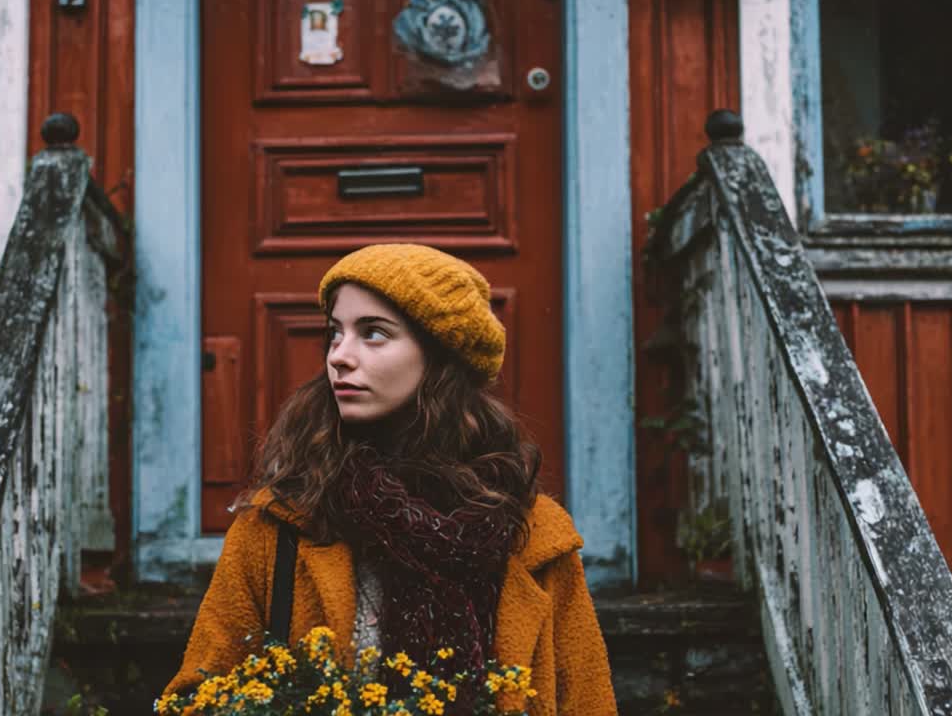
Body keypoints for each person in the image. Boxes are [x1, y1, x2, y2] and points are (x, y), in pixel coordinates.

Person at [163, 244, 617, 714]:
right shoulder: (283, 523)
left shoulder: (533, 535)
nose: (339, 356)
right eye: (335, 334)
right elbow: (194, 697)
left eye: (374, 334)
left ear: (441, 356)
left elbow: (588, 701)